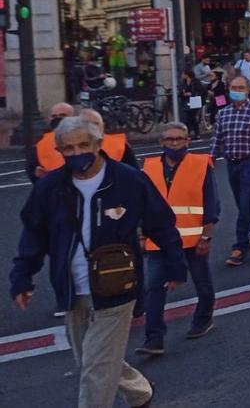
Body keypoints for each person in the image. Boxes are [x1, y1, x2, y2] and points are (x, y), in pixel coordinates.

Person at [11, 116, 186, 408]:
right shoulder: (50, 187)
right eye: (68, 148)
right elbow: (34, 234)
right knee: (90, 361)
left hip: (117, 284)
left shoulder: (129, 180)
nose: (77, 153)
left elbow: (161, 223)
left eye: (83, 145)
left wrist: (175, 264)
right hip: (72, 288)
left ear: (98, 144)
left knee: (95, 369)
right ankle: (139, 391)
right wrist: (22, 276)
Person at [136, 122, 219, 355]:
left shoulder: (201, 164)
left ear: (187, 141)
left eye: (179, 139)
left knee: (201, 281)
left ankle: (203, 319)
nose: (174, 143)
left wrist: (206, 236)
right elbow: (142, 204)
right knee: (154, 287)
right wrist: (142, 233)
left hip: (193, 238)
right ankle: (154, 338)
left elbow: (211, 203)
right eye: (170, 139)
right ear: (161, 142)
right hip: (159, 239)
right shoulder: (150, 167)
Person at [210, 75, 250, 268]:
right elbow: (217, 137)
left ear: (247, 90)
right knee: (241, 203)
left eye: (241, 87)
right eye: (234, 87)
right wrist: (210, 158)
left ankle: (240, 246)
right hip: (231, 162)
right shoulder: (223, 113)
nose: (237, 90)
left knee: (246, 203)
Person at [30, 101, 76, 182]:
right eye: (54, 116)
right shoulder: (41, 142)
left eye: (63, 115)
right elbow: (32, 168)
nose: (58, 118)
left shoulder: (84, 138)